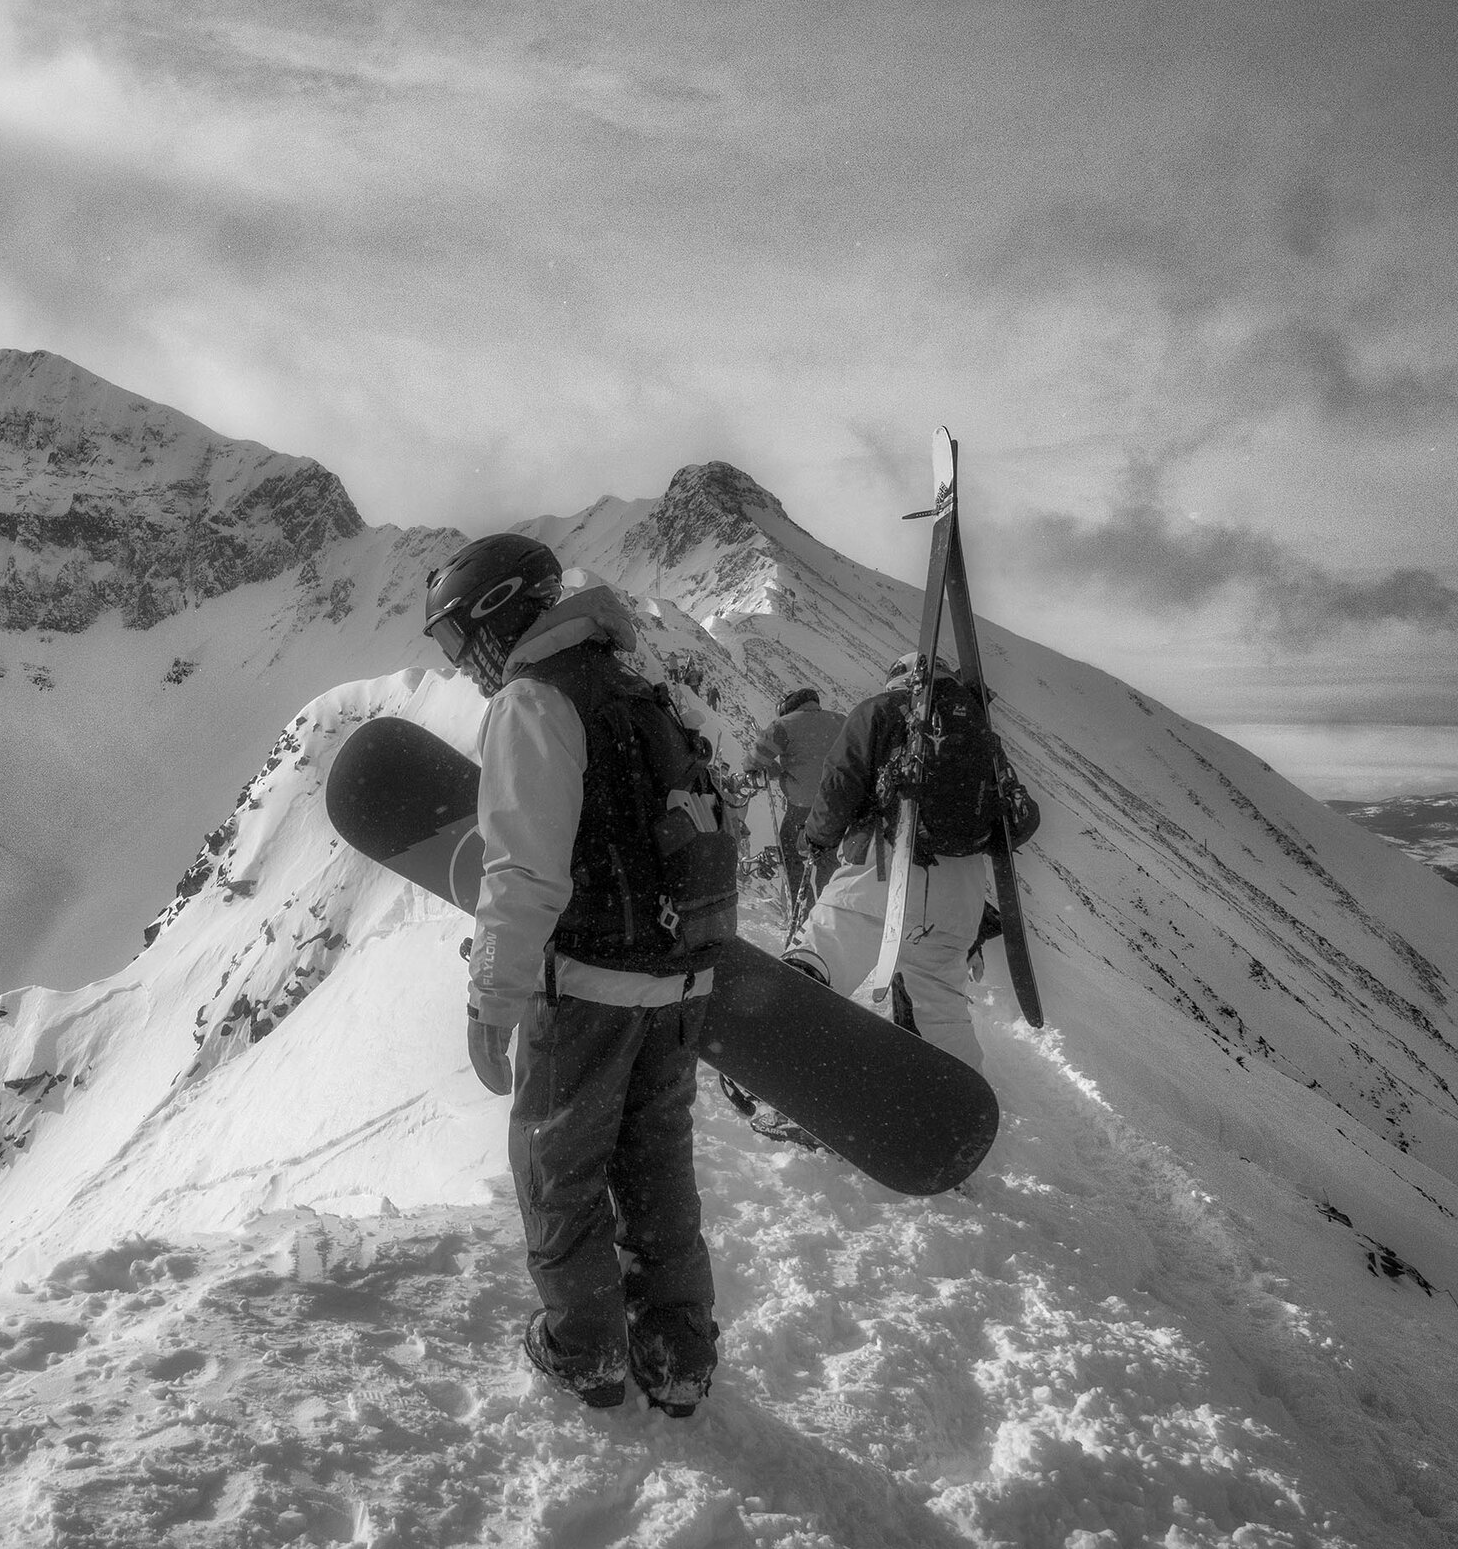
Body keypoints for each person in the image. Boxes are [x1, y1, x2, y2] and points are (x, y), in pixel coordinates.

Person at [425, 533, 724, 1417]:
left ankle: (587, 1351)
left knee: (558, 1173)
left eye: (453, 640)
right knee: (657, 1171)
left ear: (497, 611)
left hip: (590, 986)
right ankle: (677, 1358)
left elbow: (523, 874)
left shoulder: (534, 700)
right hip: (679, 986)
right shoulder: (637, 691)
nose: (459, 663)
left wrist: (491, 995)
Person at [788, 652, 1021, 1075]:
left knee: (823, 954)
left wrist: (814, 838)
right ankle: (953, 1101)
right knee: (939, 1006)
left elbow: (841, 782)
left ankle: (782, 1065)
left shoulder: (878, 711)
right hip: (961, 892)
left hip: (884, 870)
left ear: (897, 680)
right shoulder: (976, 729)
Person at [747, 687, 846, 927]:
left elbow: (754, 761)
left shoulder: (783, 725)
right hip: (839, 803)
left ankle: (801, 912)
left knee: (790, 852)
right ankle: (827, 915)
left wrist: (774, 771)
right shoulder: (841, 720)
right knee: (828, 858)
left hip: (803, 804)